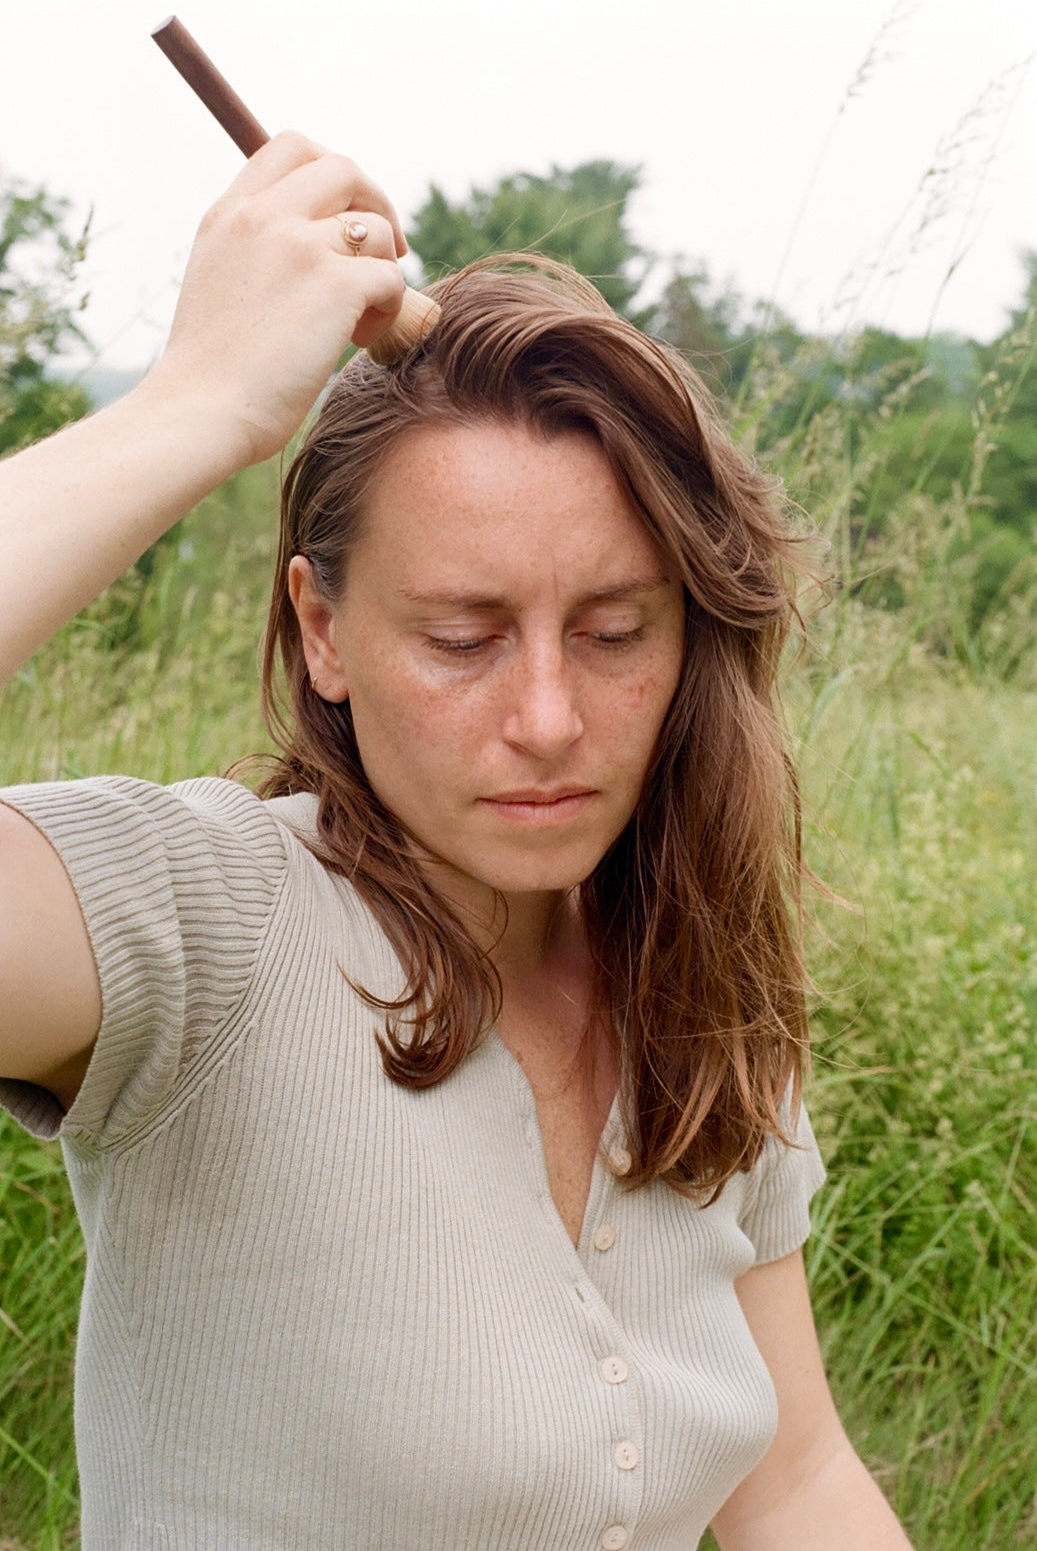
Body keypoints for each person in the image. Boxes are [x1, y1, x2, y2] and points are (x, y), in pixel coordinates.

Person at [0, 133, 913, 1549]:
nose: (548, 717)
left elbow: (792, 1478)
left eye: (615, 632)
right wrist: (195, 407)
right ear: (323, 628)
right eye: (461, 636)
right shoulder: (196, 921)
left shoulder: (691, 981)